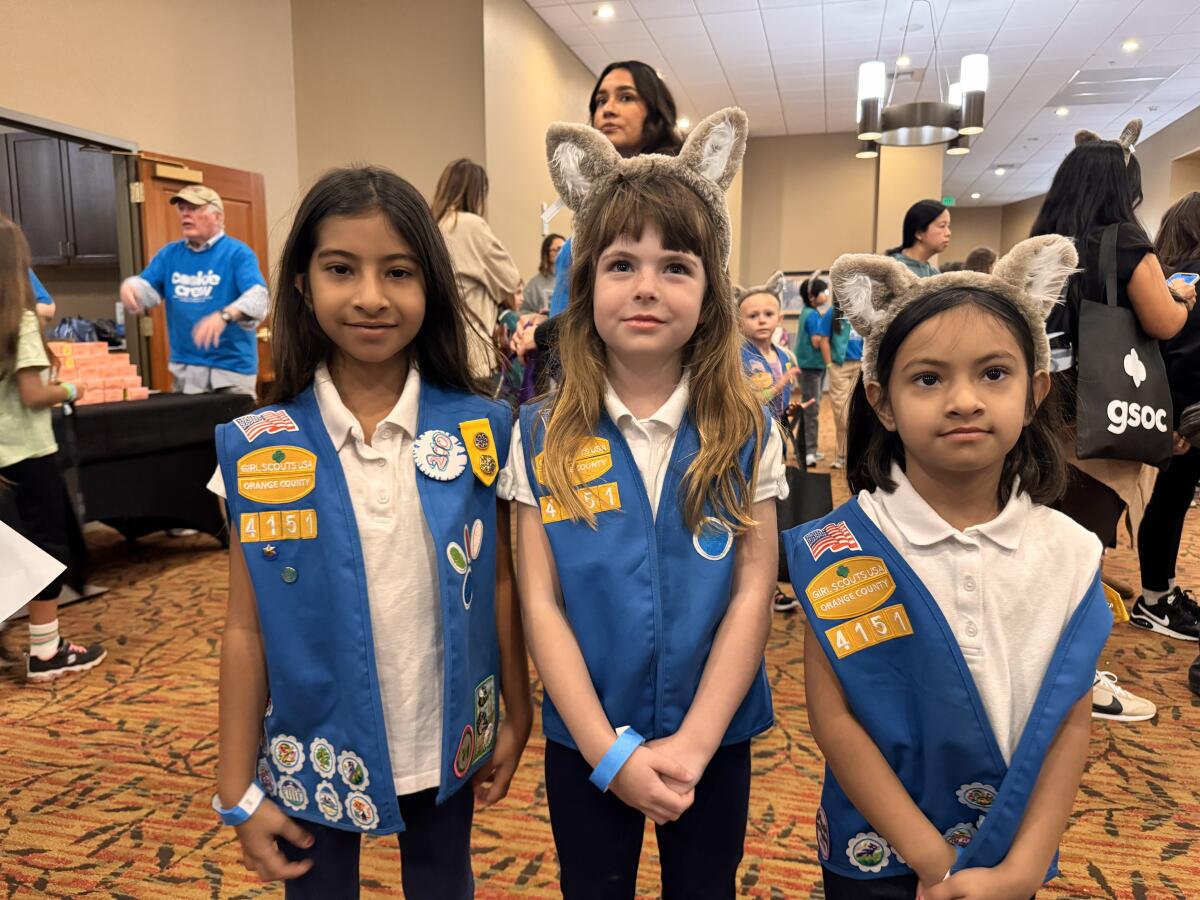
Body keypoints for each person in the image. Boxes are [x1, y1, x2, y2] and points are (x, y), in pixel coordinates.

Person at [209, 166, 531, 897]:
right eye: (340, 269)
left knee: (446, 882)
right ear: (300, 283)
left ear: (431, 286)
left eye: (398, 272)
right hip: (316, 741)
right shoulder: (261, 448)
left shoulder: (482, 428)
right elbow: (244, 628)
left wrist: (520, 708)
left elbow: (500, 580)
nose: (371, 297)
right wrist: (235, 787)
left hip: (444, 732)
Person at [508, 108, 783, 899]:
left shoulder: (745, 429)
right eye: (621, 264)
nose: (647, 289)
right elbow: (540, 602)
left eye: (677, 267)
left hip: (715, 734)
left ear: (712, 289)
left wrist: (696, 743)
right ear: (585, 282)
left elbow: (753, 591)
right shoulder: (539, 434)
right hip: (588, 737)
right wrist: (608, 751)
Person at [790, 236, 1110, 899]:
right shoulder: (842, 546)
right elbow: (834, 718)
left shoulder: (1071, 553)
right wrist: (931, 858)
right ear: (882, 402)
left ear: (1034, 390)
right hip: (874, 849)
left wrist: (1025, 866)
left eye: (994, 373)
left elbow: (1070, 720)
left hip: (1011, 853)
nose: (963, 400)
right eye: (928, 379)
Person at [1031, 124, 1195, 646]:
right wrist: (1183, 299)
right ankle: (1064, 656)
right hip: (1104, 402)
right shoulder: (1125, 241)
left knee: (1042, 520)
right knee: (1083, 533)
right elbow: (1163, 322)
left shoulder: (1042, 243)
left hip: (1041, 398)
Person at [512, 61, 684, 365]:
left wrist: (541, 336)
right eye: (600, 101)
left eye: (626, 97)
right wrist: (544, 323)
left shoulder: (667, 199)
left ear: (655, 111)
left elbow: (627, 308)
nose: (608, 109)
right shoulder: (598, 197)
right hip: (575, 369)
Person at [0, 215, 105, 682]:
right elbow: (32, 393)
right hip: (27, 454)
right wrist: (70, 390)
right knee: (47, 550)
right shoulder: (18, 321)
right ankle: (46, 652)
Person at [1132, 193, 1200, 658]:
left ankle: (1163, 592)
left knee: (1169, 501)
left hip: (1174, 408)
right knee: (1168, 501)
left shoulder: (1168, 271)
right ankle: (1157, 597)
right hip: (1183, 410)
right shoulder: (1188, 275)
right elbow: (1181, 352)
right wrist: (1174, 419)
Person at [119, 185, 268, 396]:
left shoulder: (238, 254)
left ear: (218, 216)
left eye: (195, 208)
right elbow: (145, 290)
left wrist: (224, 316)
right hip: (185, 371)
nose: (186, 214)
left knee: (231, 429)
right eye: (182, 208)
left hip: (231, 371)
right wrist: (130, 286)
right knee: (188, 429)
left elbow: (259, 298)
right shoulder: (170, 254)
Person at [432, 159, 522, 382]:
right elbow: (511, 279)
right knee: (475, 417)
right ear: (476, 192)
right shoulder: (470, 225)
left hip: (438, 350)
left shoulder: (433, 226)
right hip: (472, 354)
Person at [793, 274, 833, 467]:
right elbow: (817, 341)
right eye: (823, 292)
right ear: (812, 296)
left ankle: (802, 448)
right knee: (812, 409)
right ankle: (810, 452)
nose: (826, 295)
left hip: (809, 366)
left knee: (807, 407)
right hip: (810, 367)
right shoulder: (813, 315)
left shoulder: (807, 312)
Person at [826, 289, 865, 470]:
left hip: (860, 366)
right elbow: (823, 339)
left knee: (859, 410)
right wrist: (829, 365)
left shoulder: (864, 312)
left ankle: (857, 453)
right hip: (839, 367)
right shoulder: (832, 314)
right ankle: (843, 454)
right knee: (841, 411)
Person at [886, 200, 951, 277]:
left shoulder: (934, 274)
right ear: (919, 233)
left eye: (948, 226)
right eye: (942, 226)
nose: (948, 233)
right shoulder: (891, 269)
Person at [521, 233, 565, 314]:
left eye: (565, 249)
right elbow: (521, 312)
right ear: (547, 253)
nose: (563, 253)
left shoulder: (573, 280)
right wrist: (538, 315)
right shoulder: (534, 285)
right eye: (558, 249)